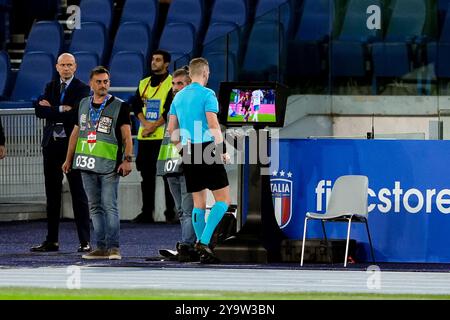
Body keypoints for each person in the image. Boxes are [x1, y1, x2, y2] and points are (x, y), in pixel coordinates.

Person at [62, 66, 133, 260]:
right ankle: (101, 248)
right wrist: (68, 159)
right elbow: (76, 133)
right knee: (94, 207)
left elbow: (127, 137)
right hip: (86, 164)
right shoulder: (83, 103)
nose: (103, 85)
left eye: (106, 82)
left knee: (109, 206)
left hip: (109, 165)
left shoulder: (120, 105)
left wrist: (127, 160)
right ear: (91, 84)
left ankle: (114, 248)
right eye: (99, 82)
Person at [167, 57, 231, 263]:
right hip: (207, 148)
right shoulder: (208, 94)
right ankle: (204, 242)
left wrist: (181, 150)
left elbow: (171, 130)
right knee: (223, 200)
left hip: (188, 150)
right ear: (206, 73)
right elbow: (213, 125)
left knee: (198, 203)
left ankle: (203, 249)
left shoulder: (178, 97)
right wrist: (222, 150)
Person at [31, 53, 91, 253]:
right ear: (57, 67)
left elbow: (76, 114)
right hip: (51, 145)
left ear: (75, 67)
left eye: (69, 65)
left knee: (78, 193)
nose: (66, 68)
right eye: (63, 65)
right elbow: (39, 110)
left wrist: (54, 109)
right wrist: (60, 108)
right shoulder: (50, 86)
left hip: (71, 146)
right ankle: (52, 240)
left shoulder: (82, 88)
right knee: (52, 194)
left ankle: (84, 241)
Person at [131, 49, 176, 224]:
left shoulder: (173, 83)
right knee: (146, 176)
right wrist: (145, 124)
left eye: (158, 60)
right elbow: (135, 105)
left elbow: (170, 109)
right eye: (152, 59)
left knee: (167, 175)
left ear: (166, 64)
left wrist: (153, 126)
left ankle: (170, 212)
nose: (154, 62)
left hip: (164, 137)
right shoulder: (144, 83)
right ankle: (146, 212)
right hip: (146, 137)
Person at [159, 67, 197, 262]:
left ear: (189, 84)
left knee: (189, 209)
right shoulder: (173, 104)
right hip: (172, 163)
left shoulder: (194, 106)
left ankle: (189, 246)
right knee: (182, 210)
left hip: (187, 163)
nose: (175, 87)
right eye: (173, 84)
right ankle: (186, 243)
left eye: (180, 83)